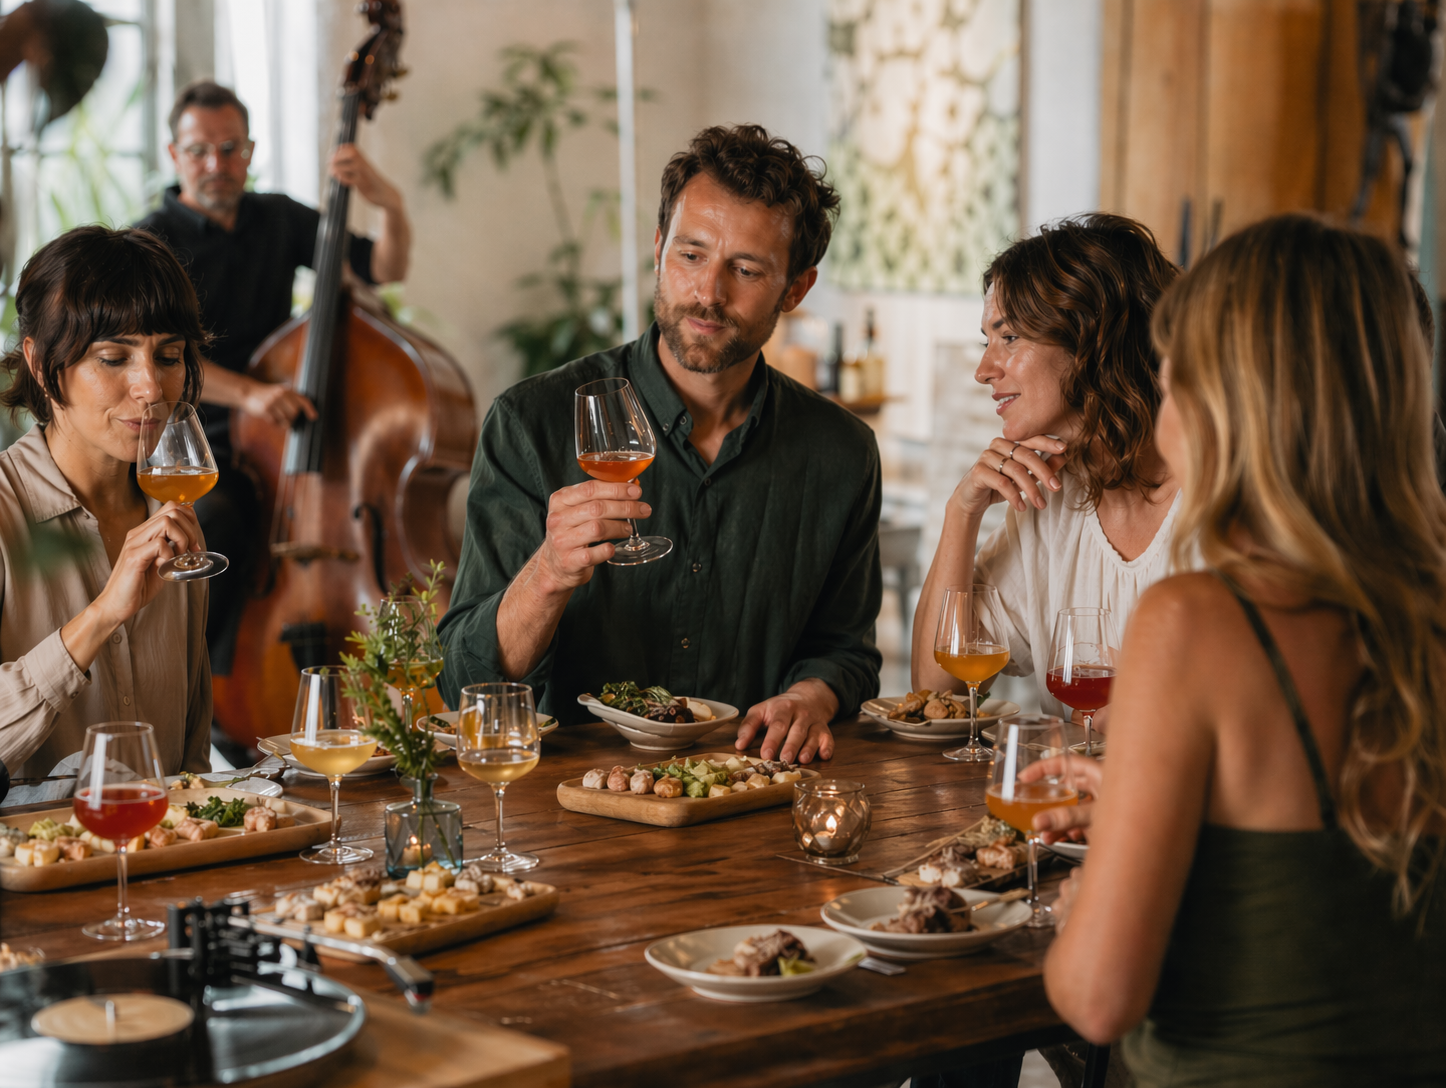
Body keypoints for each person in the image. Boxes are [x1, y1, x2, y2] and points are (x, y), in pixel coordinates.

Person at [1044, 215, 1446, 1085]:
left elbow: (1097, 998)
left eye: (1173, 373)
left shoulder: (1194, 622)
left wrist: (1095, 886)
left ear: (1233, 401)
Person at [438, 124, 881, 764]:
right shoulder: (531, 422)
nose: (708, 293)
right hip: (568, 812)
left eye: (746, 269)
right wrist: (549, 574)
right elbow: (463, 685)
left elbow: (845, 648)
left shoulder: (841, 452)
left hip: (750, 799)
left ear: (796, 289)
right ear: (657, 249)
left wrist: (811, 696)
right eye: (691, 255)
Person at [133, 80, 411, 683]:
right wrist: (253, 394)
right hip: (196, 442)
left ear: (251, 151)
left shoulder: (278, 218)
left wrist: (386, 201)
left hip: (285, 437)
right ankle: (210, 686)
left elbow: (384, 268)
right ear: (173, 154)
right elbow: (154, 363)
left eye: (231, 148)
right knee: (226, 521)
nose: (217, 164)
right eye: (200, 150)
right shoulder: (149, 244)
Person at [911, 215, 1181, 723]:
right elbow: (937, 689)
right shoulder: (1051, 501)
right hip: (1065, 798)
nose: (984, 369)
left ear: (1090, 341)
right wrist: (961, 513)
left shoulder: (1219, 503)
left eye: (1009, 337)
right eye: (986, 340)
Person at [0, 225, 213, 792]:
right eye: (114, 358)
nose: (151, 387)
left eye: (168, 356)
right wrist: (101, 616)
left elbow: (192, 760)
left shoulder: (175, 517)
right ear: (42, 366)